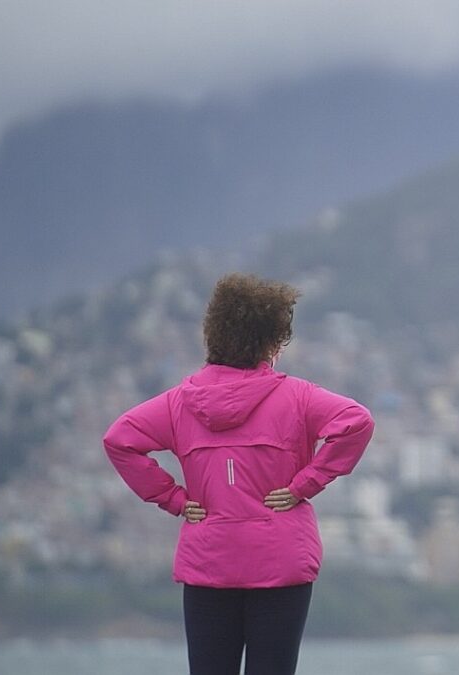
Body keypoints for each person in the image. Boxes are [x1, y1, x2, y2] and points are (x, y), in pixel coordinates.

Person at [103, 272, 375, 675]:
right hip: (281, 561)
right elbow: (356, 422)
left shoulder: (179, 403)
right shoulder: (299, 398)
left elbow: (119, 440)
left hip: (209, 559)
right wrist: (305, 485)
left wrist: (173, 499)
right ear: (270, 342)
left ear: (214, 335)